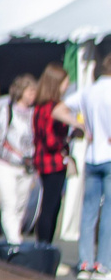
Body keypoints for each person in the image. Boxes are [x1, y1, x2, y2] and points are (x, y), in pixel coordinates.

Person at [0, 74, 39, 244]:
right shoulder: (7, 110)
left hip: (27, 167)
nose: (33, 96)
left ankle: (14, 235)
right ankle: (14, 241)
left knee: (21, 205)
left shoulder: (35, 113)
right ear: (20, 91)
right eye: (30, 92)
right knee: (9, 202)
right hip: (5, 164)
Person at [31, 63, 80, 246]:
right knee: (50, 207)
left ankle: (44, 245)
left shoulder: (40, 106)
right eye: (65, 82)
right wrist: (67, 139)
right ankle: (44, 246)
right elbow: (51, 141)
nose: (67, 86)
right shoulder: (53, 108)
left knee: (49, 204)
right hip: (53, 161)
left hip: (43, 159)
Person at [72, 54, 111, 279]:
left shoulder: (88, 91)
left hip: (92, 155)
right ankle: (103, 264)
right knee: (108, 213)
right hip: (109, 155)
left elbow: (59, 108)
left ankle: (84, 262)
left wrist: (81, 127)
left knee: (88, 211)